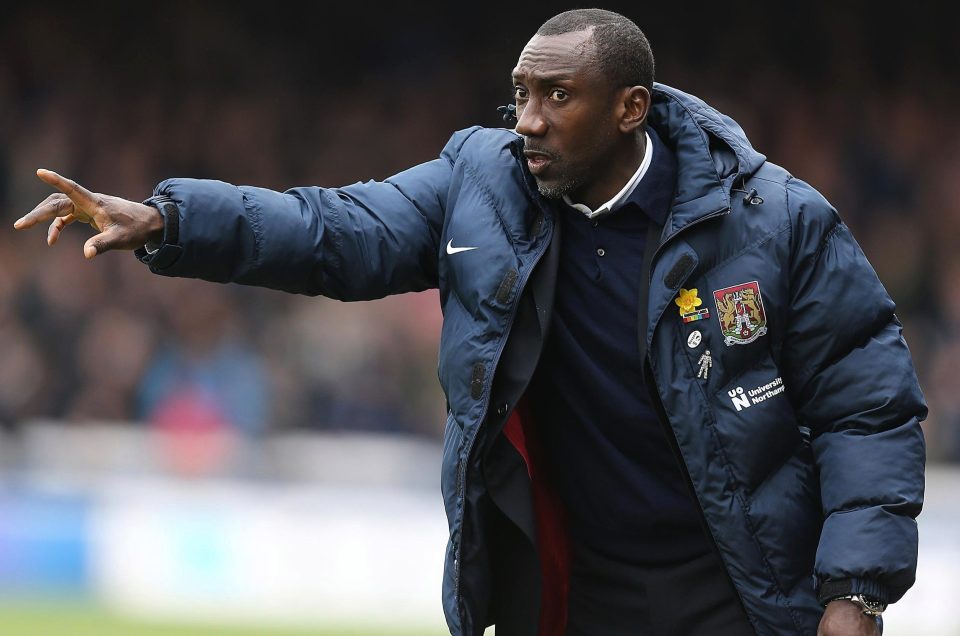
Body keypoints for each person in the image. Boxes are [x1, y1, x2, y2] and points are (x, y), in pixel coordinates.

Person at [14, 8, 925, 636]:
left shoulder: (775, 219)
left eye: (555, 97)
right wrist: (175, 221)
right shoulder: (480, 183)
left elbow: (867, 404)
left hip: (739, 593)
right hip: (574, 597)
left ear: (630, 110)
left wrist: (852, 590)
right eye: (520, 95)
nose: (525, 121)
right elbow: (338, 230)